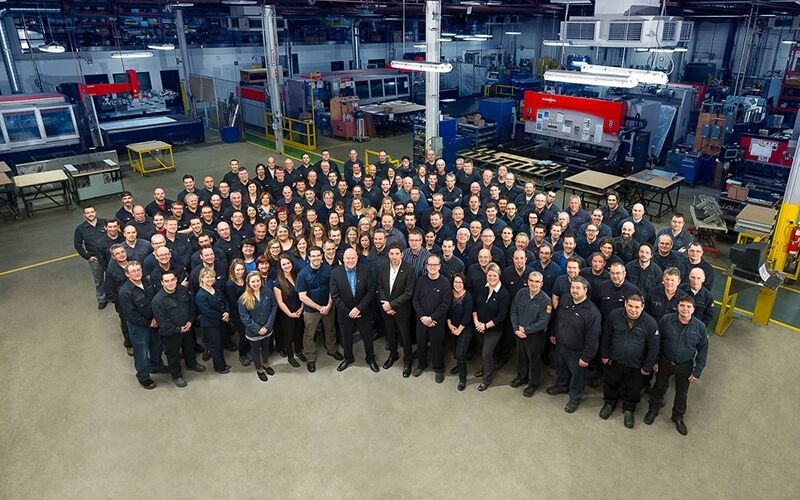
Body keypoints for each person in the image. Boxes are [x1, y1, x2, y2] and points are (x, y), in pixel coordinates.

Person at [644, 296, 709, 436]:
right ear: (677, 307)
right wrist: (655, 361)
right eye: (682, 305)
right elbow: (657, 342)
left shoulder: (700, 327)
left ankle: (677, 417)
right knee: (659, 386)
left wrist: (697, 371)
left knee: (682, 393)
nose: (685, 309)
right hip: (665, 361)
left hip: (685, 365)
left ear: (693, 309)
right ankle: (653, 410)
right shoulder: (666, 320)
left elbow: (703, 350)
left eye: (688, 306)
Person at [599, 293, 659, 429]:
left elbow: (654, 347)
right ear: (625, 304)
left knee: (633, 388)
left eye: (637, 307)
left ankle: (629, 409)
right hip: (614, 360)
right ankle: (609, 403)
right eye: (630, 306)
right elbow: (606, 336)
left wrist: (647, 366)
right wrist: (604, 354)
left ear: (642, 307)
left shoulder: (650, 323)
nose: (633, 310)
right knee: (610, 383)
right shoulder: (614, 316)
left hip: (636, 365)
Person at [546, 276, 601, 413]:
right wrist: (553, 333)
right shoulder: (565, 299)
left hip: (577, 351)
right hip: (561, 345)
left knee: (577, 376)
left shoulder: (592, 312)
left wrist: (586, 357)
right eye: (572, 287)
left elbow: (593, 338)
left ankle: (575, 397)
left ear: (585, 290)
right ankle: (562, 386)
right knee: (561, 368)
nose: (574, 290)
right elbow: (557, 317)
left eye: (578, 288)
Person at [151, 270, 206, 387]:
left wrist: (190, 321)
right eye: (167, 281)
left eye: (172, 280)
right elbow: (163, 322)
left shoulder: (183, 290)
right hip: (171, 334)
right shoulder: (157, 301)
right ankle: (177, 375)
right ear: (162, 283)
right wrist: (178, 329)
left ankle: (191, 364)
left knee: (189, 347)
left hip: (187, 327)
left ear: (176, 280)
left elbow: (191, 306)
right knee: (173, 355)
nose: (170, 283)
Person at [117, 261, 164, 390]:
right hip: (139, 327)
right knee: (141, 352)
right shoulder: (125, 292)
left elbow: (155, 301)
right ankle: (143, 377)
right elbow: (130, 315)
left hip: (154, 321)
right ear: (127, 274)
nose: (137, 273)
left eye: (138, 270)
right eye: (133, 271)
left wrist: (156, 318)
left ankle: (156, 365)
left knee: (156, 345)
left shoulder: (147, 283)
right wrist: (149, 323)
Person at [330, 248, 378, 372]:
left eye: (353, 258)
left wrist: (358, 308)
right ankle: (348, 358)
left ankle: (370, 359)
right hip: (344, 314)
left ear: (357, 258)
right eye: (348, 258)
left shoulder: (365, 270)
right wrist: (348, 312)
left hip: (363, 312)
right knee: (346, 339)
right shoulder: (335, 273)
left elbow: (371, 291)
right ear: (343, 259)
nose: (350, 261)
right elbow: (335, 296)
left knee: (367, 338)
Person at [297, 246, 342, 372]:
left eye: (318, 255)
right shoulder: (302, 274)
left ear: (322, 256)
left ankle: (332, 349)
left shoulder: (329, 269)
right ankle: (310, 358)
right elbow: (302, 296)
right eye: (313, 256)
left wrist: (328, 305)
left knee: (330, 329)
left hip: (328, 306)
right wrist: (318, 307)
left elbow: (333, 289)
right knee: (309, 334)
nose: (316, 258)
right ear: (309, 257)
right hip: (311, 310)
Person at [509, 271, 553, 398]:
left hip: (535, 336)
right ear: (528, 281)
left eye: (537, 282)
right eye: (531, 281)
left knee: (534, 360)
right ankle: (521, 377)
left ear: (541, 284)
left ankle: (533, 384)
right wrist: (516, 328)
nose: (534, 284)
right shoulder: (521, 293)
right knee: (521, 356)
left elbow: (543, 322)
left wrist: (526, 330)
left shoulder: (546, 300)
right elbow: (513, 310)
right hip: (519, 332)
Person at [376, 243, 417, 375]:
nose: (394, 256)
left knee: (405, 336)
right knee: (390, 334)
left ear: (402, 255)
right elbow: (380, 286)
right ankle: (393, 355)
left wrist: (392, 305)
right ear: (388, 255)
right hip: (386, 309)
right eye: (392, 254)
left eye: (397, 254)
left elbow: (408, 293)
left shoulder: (409, 269)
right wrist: (386, 305)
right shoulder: (383, 266)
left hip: (402, 310)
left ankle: (408, 360)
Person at [412, 254, 453, 382]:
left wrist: (432, 318)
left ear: (439, 266)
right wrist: (423, 317)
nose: (432, 267)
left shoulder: (445, 283)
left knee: (437, 346)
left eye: (435, 265)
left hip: (437, 322)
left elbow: (445, 305)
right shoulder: (420, 281)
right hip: (421, 320)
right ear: (426, 266)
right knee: (421, 343)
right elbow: (415, 300)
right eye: (430, 264)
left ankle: (438, 368)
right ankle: (421, 364)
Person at [472, 263, 511, 391]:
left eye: (494, 275)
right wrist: (476, 322)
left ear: (499, 276)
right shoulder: (482, 288)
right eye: (489, 275)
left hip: (494, 330)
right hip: (479, 327)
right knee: (482, 351)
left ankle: (487, 379)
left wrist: (485, 326)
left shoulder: (504, 294)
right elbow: (475, 306)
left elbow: (501, 316)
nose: (492, 278)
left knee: (486, 353)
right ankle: (484, 370)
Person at [238, 270, 278, 382]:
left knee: (266, 348)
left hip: (267, 329)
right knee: (255, 351)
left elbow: (274, 307)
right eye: (253, 281)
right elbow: (244, 317)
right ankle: (259, 369)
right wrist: (258, 329)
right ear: (248, 283)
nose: (256, 284)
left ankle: (265, 364)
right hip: (253, 332)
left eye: (258, 281)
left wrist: (267, 326)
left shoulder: (268, 291)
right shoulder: (243, 298)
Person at [195, 267, 231, 374]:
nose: (210, 279)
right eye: (207, 277)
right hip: (210, 325)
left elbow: (225, 301)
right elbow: (207, 312)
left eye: (212, 277)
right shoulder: (200, 295)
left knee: (221, 344)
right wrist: (222, 316)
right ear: (202, 278)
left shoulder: (216, 289)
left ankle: (222, 363)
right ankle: (219, 367)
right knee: (216, 346)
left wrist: (227, 312)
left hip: (221, 322)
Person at [74, 205, 108, 309]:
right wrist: (87, 257)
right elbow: (77, 244)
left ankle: (114, 295)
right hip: (95, 259)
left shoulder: (105, 222)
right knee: (99, 280)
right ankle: (102, 299)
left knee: (114, 276)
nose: (90, 214)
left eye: (92, 212)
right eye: (87, 213)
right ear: (84, 215)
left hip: (109, 256)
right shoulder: (80, 228)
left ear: (95, 212)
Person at [447, 273, 474, 391]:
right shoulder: (449, 294)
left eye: (460, 282)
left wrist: (459, 329)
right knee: (454, 351)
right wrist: (450, 325)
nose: (457, 284)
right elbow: (447, 311)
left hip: (464, 328)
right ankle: (458, 365)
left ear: (464, 284)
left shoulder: (468, 296)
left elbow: (468, 315)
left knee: (460, 353)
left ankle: (462, 379)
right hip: (452, 327)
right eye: (455, 282)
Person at [225, 259, 250, 366]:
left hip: (251, 310)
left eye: (242, 269)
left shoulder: (247, 279)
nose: (240, 272)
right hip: (239, 313)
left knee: (250, 333)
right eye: (238, 270)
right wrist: (245, 310)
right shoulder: (229, 284)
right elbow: (233, 302)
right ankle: (242, 354)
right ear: (233, 270)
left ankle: (249, 349)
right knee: (243, 335)